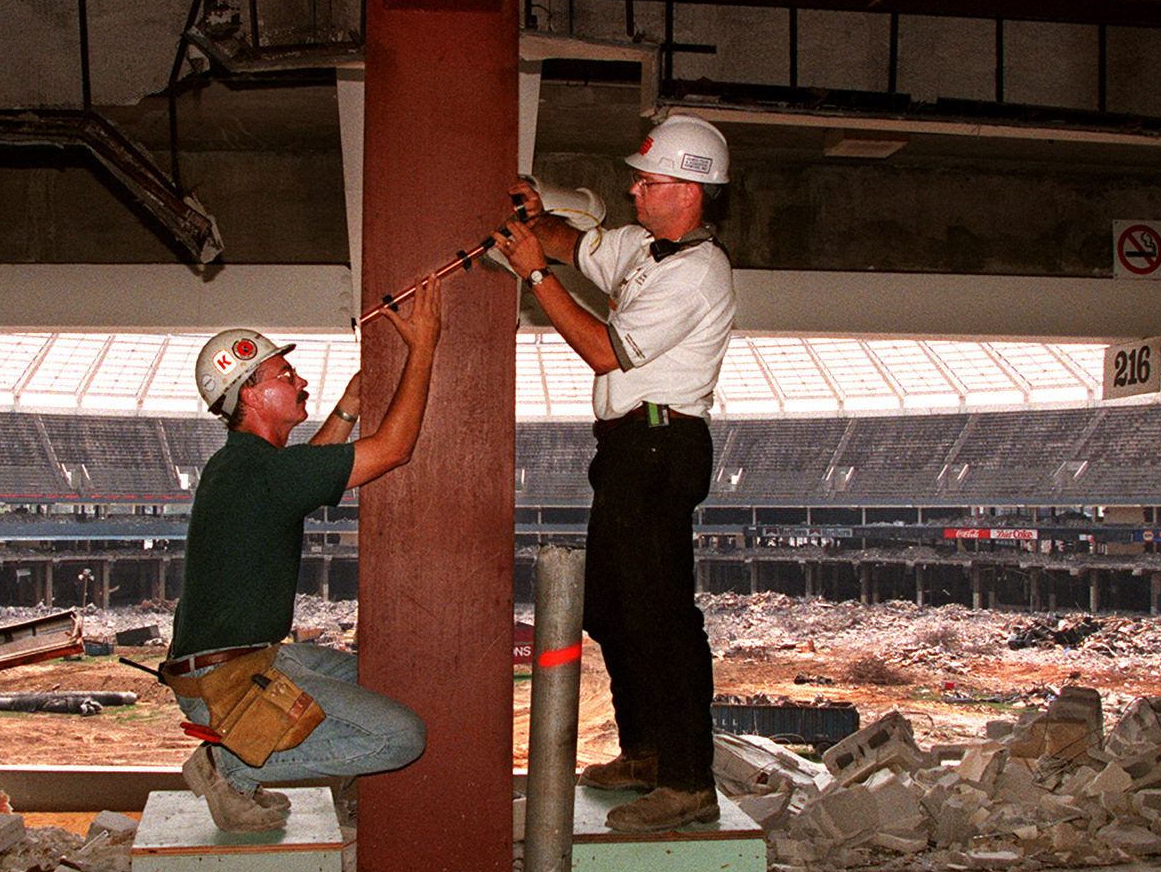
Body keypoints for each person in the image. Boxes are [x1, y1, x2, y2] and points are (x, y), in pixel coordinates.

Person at [493, 113, 736, 833]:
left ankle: (689, 782)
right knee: (613, 608)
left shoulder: (696, 274)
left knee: (663, 617)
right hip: (631, 450)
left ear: (689, 192)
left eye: (650, 181)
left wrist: (534, 272)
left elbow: (604, 350)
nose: (633, 189)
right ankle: (650, 753)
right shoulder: (646, 248)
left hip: (662, 448)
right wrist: (542, 223)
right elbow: (582, 245)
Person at [158, 277, 444, 832]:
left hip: (253, 660)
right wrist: (424, 346)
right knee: (401, 737)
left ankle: (249, 762)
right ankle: (230, 767)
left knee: (379, 674)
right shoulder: (256, 469)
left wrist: (347, 408)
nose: (300, 381)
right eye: (284, 376)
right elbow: (395, 450)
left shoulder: (245, 466)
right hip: (228, 683)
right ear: (250, 395)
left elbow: (305, 472)